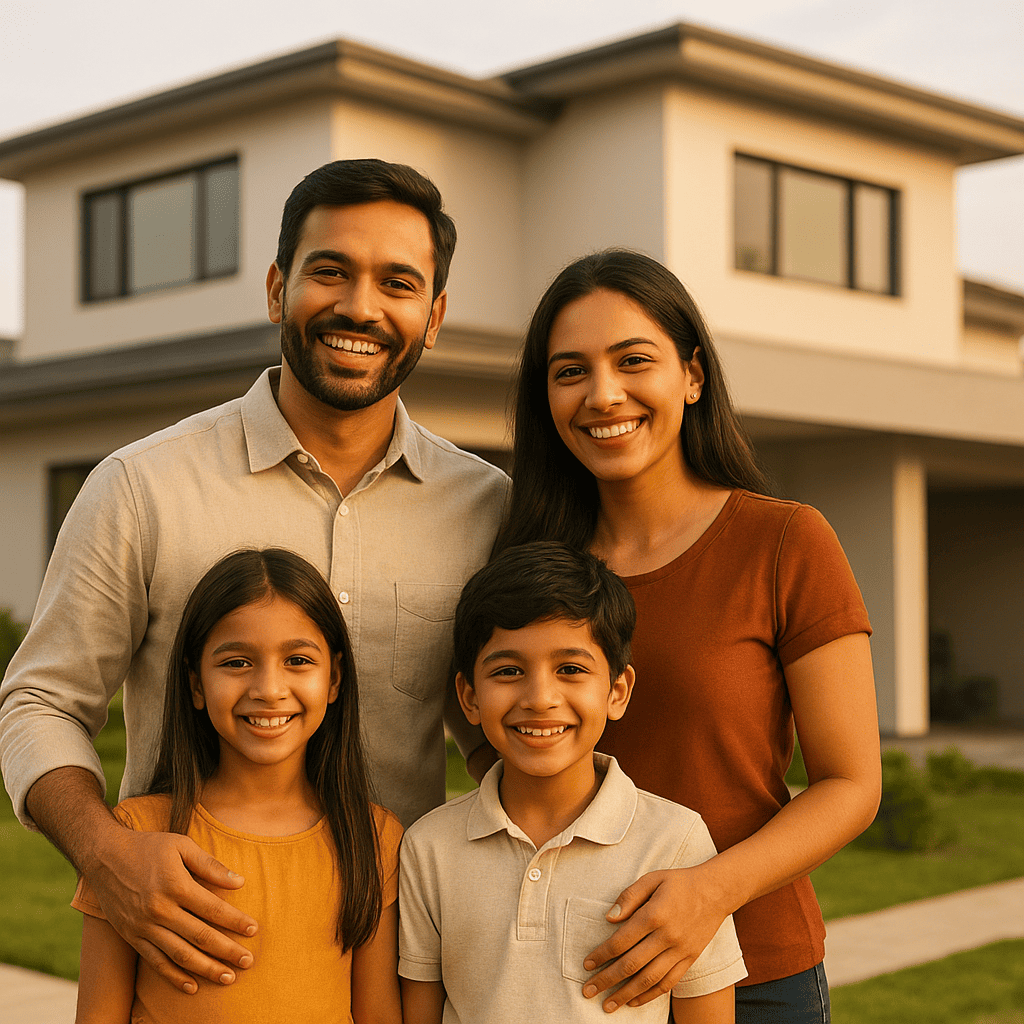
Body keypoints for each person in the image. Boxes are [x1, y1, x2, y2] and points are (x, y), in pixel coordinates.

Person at [0, 159, 506, 996]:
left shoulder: (489, 510)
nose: (360, 307)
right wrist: (108, 853)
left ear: (435, 314)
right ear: (277, 288)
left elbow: (502, 728)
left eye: (399, 282)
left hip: (404, 962)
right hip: (188, 963)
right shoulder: (142, 487)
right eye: (330, 271)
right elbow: (38, 702)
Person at [494, 250, 881, 1022]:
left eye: (633, 360)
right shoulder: (525, 567)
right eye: (570, 370)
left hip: (755, 972)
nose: (603, 394)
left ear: (692, 376)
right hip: (569, 972)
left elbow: (851, 785)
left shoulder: (785, 543)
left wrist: (708, 892)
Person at [399, 541, 747, 1024]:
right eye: (508, 671)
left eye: (570, 669)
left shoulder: (675, 839)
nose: (540, 698)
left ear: (617, 691)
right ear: (469, 697)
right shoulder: (428, 847)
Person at [74, 549, 402, 1024]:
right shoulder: (136, 837)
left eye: (297, 660)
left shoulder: (372, 838)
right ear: (195, 685)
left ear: (333, 679)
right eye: (236, 663)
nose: (269, 688)